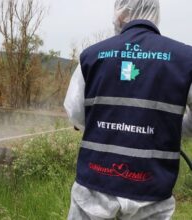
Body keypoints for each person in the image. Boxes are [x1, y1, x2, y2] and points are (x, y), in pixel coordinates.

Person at [64, 0, 192, 219]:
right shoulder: (186, 59)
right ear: (156, 14)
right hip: (151, 193)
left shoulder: (92, 55)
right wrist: (170, 126)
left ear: (121, 13)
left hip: (94, 189)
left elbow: (75, 113)